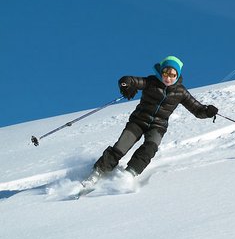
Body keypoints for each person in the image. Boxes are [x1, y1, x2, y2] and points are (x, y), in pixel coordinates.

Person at [83, 56, 218, 187]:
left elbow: (197, 109)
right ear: (161, 71)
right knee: (121, 146)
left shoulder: (181, 92)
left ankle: (129, 173)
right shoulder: (151, 82)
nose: (168, 77)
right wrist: (126, 85)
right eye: (166, 72)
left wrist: (207, 111)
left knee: (150, 148)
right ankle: (98, 172)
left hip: (158, 126)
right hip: (138, 121)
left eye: (172, 74)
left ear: (177, 75)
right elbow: (128, 80)